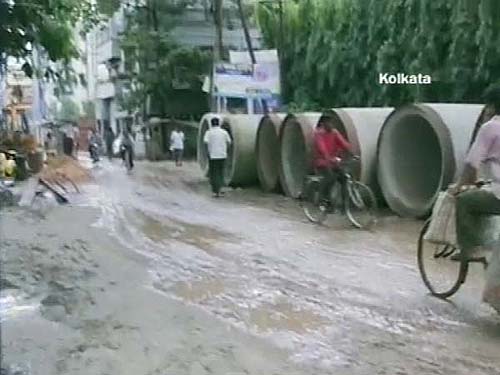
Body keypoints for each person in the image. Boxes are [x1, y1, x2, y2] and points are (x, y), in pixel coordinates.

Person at [449, 85, 500, 260]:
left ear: (492, 105)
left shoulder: (490, 128)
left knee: (464, 201)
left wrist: (459, 185)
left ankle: (470, 249)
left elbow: (472, 163)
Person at [312, 118, 353, 209]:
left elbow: (344, 144)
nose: (331, 124)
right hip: (322, 162)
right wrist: (329, 158)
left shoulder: (334, 132)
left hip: (333, 162)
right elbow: (321, 148)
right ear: (323, 124)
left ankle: (345, 205)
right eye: (329, 122)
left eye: (331, 122)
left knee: (344, 178)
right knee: (330, 177)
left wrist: (351, 153)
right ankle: (323, 200)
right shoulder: (318, 134)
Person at [203, 117, 231, 197]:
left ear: (211, 124)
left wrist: (207, 152)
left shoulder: (209, 132)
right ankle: (220, 189)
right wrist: (225, 149)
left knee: (214, 173)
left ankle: (215, 191)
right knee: (221, 172)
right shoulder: (224, 132)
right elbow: (229, 142)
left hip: (213, 155)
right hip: (222, 155)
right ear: (218, 123)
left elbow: (205, 142)